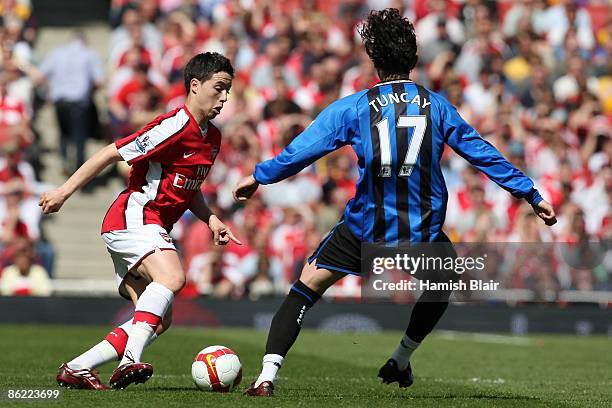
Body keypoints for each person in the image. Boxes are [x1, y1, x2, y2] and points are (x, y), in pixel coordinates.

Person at [233, 9, 557, 397]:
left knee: (306, 288)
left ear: (373, 61)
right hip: (418, 234)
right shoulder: (437, 107)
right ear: (415, 59)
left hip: (363, 229)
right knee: (444, 282)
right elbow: (481, 153)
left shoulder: (353, 107)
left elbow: (303, 149)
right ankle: (401, 358)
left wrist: (259, 176)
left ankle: (267, 377)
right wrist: (530, 193)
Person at [39, 52, 240, 390]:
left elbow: (187, 189)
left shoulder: (212, 138)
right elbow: (111, 152)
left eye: (228, 91)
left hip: (149, 224)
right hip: (134, 216)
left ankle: (77, 367)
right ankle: (129, 361)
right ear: (195, 85)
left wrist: (211, 219)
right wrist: (64, 191)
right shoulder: (175, 125)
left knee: (160, 320)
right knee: (173, 277)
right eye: (218, 88)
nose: (224, 98)